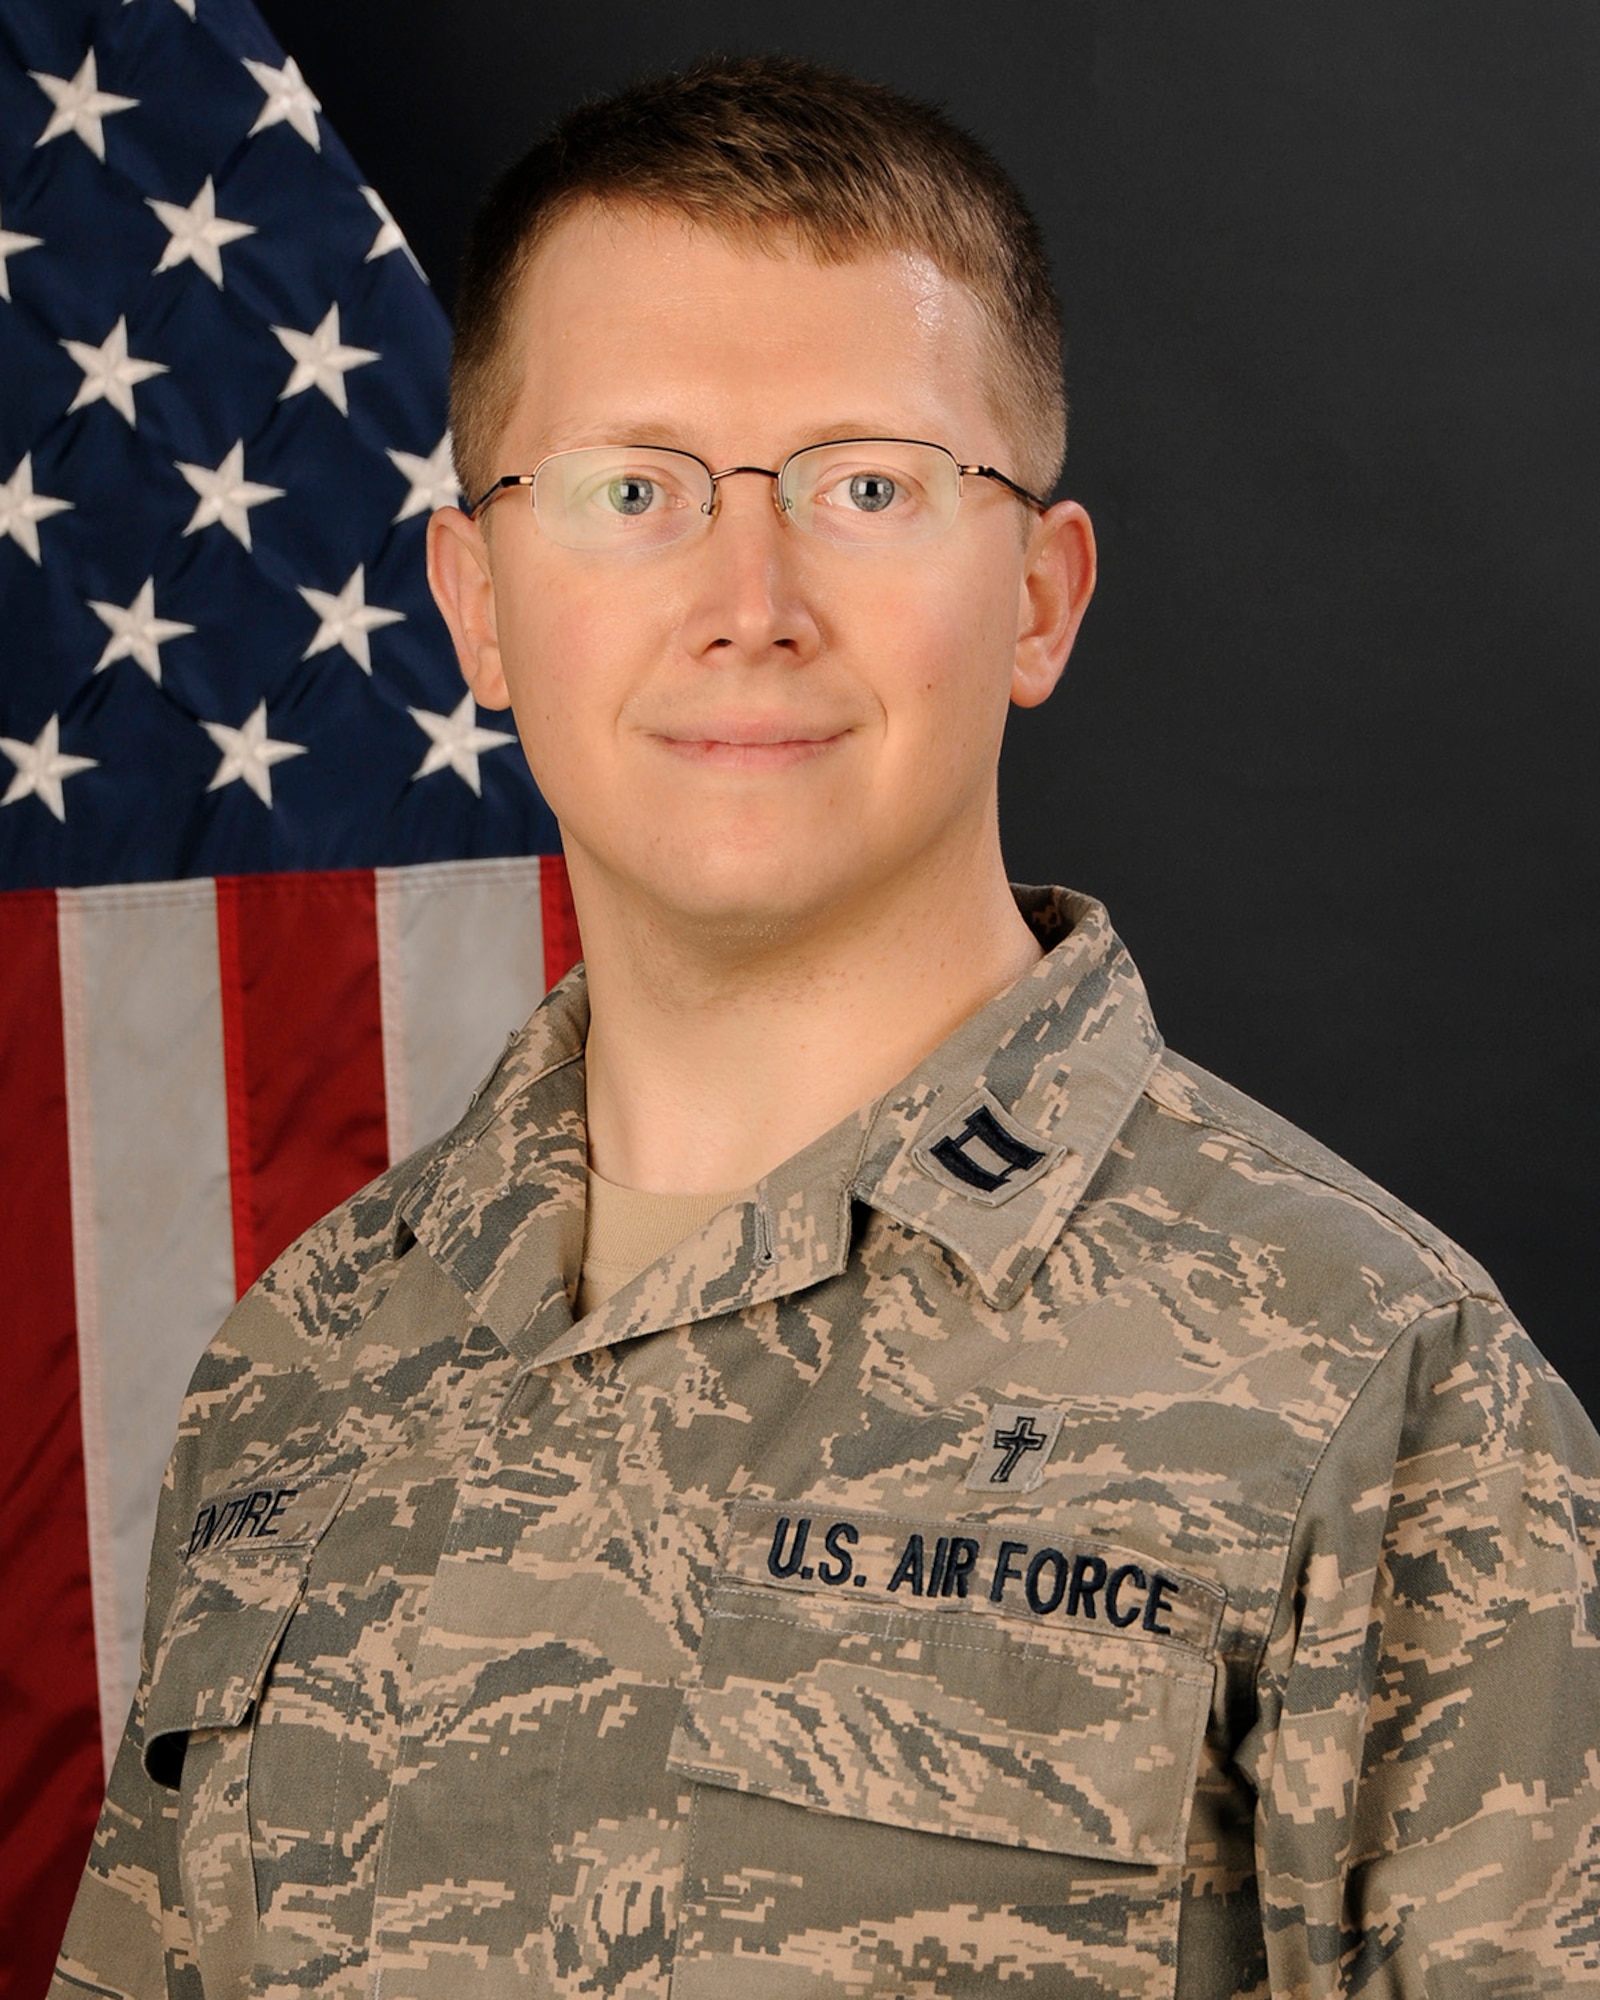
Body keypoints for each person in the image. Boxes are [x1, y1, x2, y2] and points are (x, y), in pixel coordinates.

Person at [51, 54, 1600, 2000]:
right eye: (632, 490)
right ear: (478, 605)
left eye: (864, 485)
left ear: (1036, 596)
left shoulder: (1377, 1391)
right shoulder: (304, 1366)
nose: (746, 598)